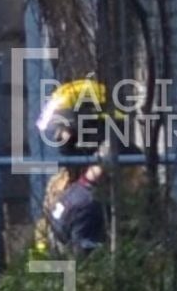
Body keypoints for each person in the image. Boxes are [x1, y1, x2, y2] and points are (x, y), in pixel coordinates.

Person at [33, 79, 147, 257]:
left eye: (64, 129)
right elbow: (45, 232)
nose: (57, 136)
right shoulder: (61, 182)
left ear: (91, 128)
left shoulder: (132, 181)